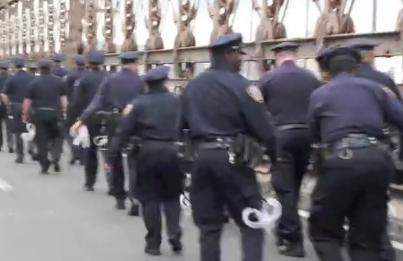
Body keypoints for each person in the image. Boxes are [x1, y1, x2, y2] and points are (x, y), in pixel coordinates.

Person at [180, 33, 276, 261]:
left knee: (209, 228)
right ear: (228, 54)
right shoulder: (242, 86)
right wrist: (272, 159)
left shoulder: (191, 88)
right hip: (233, 160)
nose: (241, 60)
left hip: (201, 160)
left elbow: (181, 128)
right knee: (251, 222)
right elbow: (264, 129)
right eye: (238, 54)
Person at [307, 46, 403, 261]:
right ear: (356, 68)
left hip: (341, 159)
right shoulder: (377, 89)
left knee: (324, 231)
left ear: (328, 72)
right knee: (366, 238)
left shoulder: (321, 93)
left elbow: (313, 134)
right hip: (377, 160)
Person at [108, 66, 183, 256]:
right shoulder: (177, 102)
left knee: (150, 198)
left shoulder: (137, 104)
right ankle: (174, 232)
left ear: (147, 85)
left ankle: (153, 243)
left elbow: (123, 132)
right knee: (172, 195)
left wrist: (112, 156)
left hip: (146, 153)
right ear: (165, 82)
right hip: (172, 151)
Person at [259, 42, 320, 257]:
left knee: (285, 188)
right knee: (294, 184)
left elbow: (257, 107)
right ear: (296, 55)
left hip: (281, 136)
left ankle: (294, 240)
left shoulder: (268, 78)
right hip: (306, 136)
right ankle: (283, 227)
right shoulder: (311, 78)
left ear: (277, 57)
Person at [345, 38, 399, 261]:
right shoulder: (383, 80)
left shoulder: (344, 81)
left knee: (351, 199)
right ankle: (384, 250)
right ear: (370, 56)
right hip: (380, 148)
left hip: (346, 150)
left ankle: (360, 246)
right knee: (377, 199)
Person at [71, 51, 145, 210]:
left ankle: (119, 196)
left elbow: (96, 102)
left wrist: (80, 120)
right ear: (134, 63)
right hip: (135, 122)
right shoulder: (141, 81)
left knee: (115, 156)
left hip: (114, 121)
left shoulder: (110, 80)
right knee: (134, 160)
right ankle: (135, 198)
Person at [71, 50, 109, 190]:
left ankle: (89, 183)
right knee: (107, 151)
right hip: (107, 118)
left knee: (90, 151)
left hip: (90, 118)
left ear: (89, 63)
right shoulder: (109, 77)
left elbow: (77, 101)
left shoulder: (83, 79)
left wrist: (79, 119)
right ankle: (111, 183)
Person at [22, 60, 67, 174]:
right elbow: (63, 99)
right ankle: (55, 157)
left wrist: (25, 114)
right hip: (55, 114)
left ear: (39, 69)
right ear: (50, 68)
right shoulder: (59, 81)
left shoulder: (33, 83)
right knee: (57, 137)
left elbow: (27, 101)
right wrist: (64, 111)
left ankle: (44, 164)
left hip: (39, 115)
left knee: (41, 140)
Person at [1, 57, 35, 163]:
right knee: (31, 128)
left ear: (15, 66)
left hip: (16, 106)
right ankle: (31, 149)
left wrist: (8, 105)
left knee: (18, 131)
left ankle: (20, 155)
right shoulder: (31, 77)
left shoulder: (12, 78)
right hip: (29, 105)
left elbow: (3, 94)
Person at [65, 55, 87, 165]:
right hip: (86, 107)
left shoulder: (71, 75)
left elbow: (66, 91)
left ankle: (75, 154)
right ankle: (83, 156)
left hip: (73, 106)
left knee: (71, 131)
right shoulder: (88, 75)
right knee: (84, 131)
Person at [0, 61, 12, 152]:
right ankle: (10, 145)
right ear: (7, 69)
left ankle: (0, 145)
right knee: (9, 126)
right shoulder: (11, 78)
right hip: (8, 104)